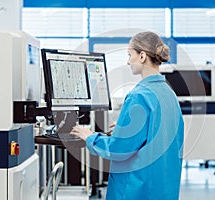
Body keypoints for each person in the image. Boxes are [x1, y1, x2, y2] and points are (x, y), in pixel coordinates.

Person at [70, 31, 184, 200]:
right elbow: (163, 133)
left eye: (130, 55)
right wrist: (129, 128)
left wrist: (90, 137)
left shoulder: (139, 95)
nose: (128, 61)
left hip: (138, 190)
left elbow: (118, 149)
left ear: (142, 56)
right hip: (164, 189)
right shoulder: (168, 93)